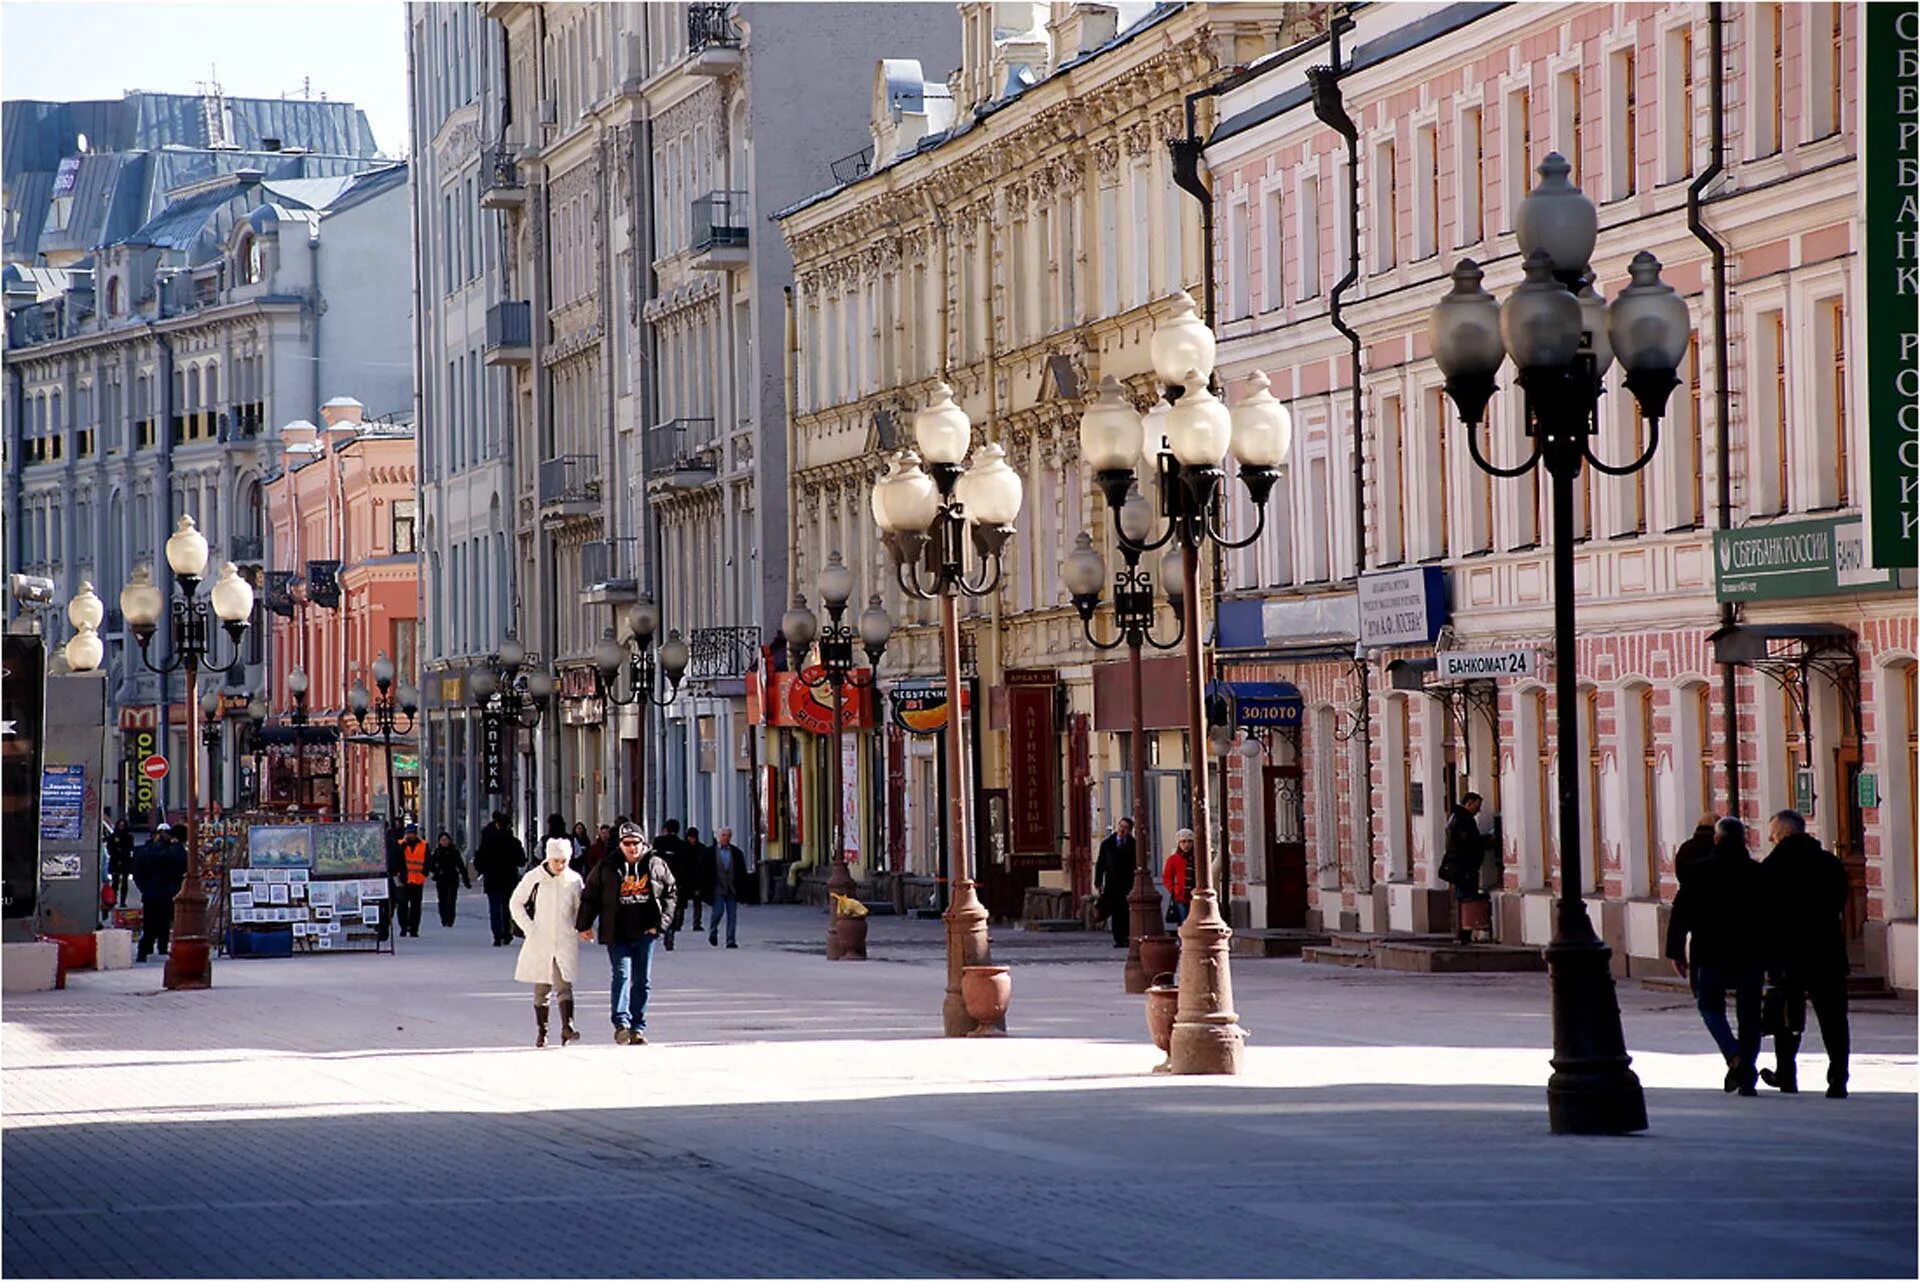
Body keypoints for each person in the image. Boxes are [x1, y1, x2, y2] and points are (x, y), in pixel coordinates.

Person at [1665, 818, 1766, 1095]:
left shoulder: (1698, 873)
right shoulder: (1757, 873)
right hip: (1750, 954)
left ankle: (1736, 1057)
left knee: (1709, 1007)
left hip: (1710, 953)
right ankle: (1745, 1074)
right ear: (1743, 841)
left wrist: (1676, 952)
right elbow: (1770, 917)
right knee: (1749, 1016)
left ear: (1717, 840)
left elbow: (1680, 913)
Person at [1759, 810, 1851, 1099]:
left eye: (1773, 835)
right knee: (1834, 1017)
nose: (1771, 840)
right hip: (1827, 952)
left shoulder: (1772, 867)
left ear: (1784, 834)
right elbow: (1841, 899)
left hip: (1788, 954)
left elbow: (1763, 913)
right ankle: (1838, 1078)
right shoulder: (1830, 863)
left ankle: (1787, 1075)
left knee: (1788, 1016)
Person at [577, 822, 677, 1044]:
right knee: (622, 976)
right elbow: (591, 896)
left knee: (642, 980)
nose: (632, 848)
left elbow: (671, 892)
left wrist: (661, 925)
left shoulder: (655, 864)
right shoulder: (607, 866)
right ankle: (621, 1023)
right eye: (627, 843)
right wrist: (584, 925)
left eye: (636, 843)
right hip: (618, 933)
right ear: (620, 844)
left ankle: (637, 1027)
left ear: (643, 843)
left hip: (645, 933)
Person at [510, 838, 584, 1047]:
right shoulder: (534, 878)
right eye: (556, 861)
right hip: (540, 937)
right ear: (548, 858)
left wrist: (582, 927)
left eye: (564, 861)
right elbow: (516, 902)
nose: (560, 866)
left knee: (564, 983)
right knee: (542, 985)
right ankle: (542, 1030)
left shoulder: (574, 880)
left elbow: (580, 908)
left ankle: (567, 1026)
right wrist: (529, 928)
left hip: (564, 937)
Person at [133, 823, 186, 962]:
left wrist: (144, 888)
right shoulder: (173, 851)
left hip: (150, 892)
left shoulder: (145, 851)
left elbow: (138, 872)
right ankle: (161, 946)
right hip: (166, 892)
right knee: (164, 921)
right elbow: (182, 866)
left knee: (149, 923)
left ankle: (144, 950)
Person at [1438, 792, 1486, 944]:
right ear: (1469, 803)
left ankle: (1462, 933)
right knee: (1466, 897)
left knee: (1462, 896)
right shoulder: (1463, 819)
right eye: (1477, 806)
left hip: (1459, 866)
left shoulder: (1455, 817)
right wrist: (1486, 841)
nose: (1478, 810)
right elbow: (1469, 842)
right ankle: (1463, 934)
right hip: (1464, 867)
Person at [474, 812, 528, 946]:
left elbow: (479, 859)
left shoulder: (488, 842)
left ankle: (497, 935)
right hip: (509, 879)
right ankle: (507, 932)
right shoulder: (514, 842)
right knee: (507, 906)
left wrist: (483, 870)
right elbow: (521, 861)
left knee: (494, 907)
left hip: (492, 878)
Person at [1094, 818, 1138, 948]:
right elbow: (1100, 864)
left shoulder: (1133, 844)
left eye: (1125, 828)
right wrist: (1098, 881)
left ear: (1130, 830)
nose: (1122, 830)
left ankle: (1127, 936)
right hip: (1112, 883)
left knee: (1127, 911)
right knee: (1116, 911)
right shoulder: (1107, 844)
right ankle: (1118, 938)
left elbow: (1137, 863)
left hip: (1128, 883)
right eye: (1120, 826)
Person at [708, 827, 746, 948]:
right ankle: (713, 931)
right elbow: (705, 870)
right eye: (723, 835)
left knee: (732, 915)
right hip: (718, 887)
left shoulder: (736, 853)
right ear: (719, 837)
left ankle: (731, 940)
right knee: (718, 912)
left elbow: (741, 871)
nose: (725, 838)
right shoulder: (711, 853)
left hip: (731, 888)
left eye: (728, 835)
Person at [653, 818, 687, 950]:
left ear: (665, 830)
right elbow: (685, 866)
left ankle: (661, 928)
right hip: (675, 881)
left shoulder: (659, 842)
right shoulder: (681, 845)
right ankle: (670, 931)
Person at [428, 830, 471, 928]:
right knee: (442, 900)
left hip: (452, 879)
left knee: (451, 900)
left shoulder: (454, 852)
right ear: (439, 842)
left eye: (446, 840)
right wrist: (434, 874)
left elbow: (461, 866)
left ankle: (450, 919)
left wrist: (466, 879)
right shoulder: (437, 852)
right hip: (441, 879)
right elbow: (431, 865)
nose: (444, 842)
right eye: (442, 840)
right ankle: (444, 918)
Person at [395, 822, 429, 937]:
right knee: (402, 906)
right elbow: (396, 858)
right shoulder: (400, 844)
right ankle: (403, 927)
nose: (410, 836)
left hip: (418, 880)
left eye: (412, 834)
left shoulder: (424, 845)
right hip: (403, 880)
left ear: (416, 834)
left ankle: (414, 929)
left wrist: (425, 873)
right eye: (408, 833)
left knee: (416, 907)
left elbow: (428, 860)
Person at [684, 825, 714, 935]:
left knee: (697, 902)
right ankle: (678, 922)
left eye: (693, 837)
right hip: (686, 879)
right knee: (681, 903)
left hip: (697, 879)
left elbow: (705, 865)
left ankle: (697, 923)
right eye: (690, 837)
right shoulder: (684, 848)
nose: (692, 839)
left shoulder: (701, 849)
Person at [1162, 829, 1195, 927]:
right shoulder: (1173, 859)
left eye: (1189, 841)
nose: (1186, 844)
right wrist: (1174, 889)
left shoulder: (1196, 857)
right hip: (1180, 896)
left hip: (1195, 896)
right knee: (1183, 921)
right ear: (1179, 843)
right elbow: (1167, 877)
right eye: (1183, 841)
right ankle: (1182, 941)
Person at [106, 818, 136, 909]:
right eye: (120, 825)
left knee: (124, 882)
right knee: (115, 882)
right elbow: (110, 848)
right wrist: (116, 852)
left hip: (125, 861)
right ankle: (113, 900)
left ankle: (123, 901)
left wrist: (122, 852)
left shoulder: (129, 836)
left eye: (123, 826)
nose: (121, 827)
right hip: (115, 861)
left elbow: (129, 848)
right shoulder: (113, 836)